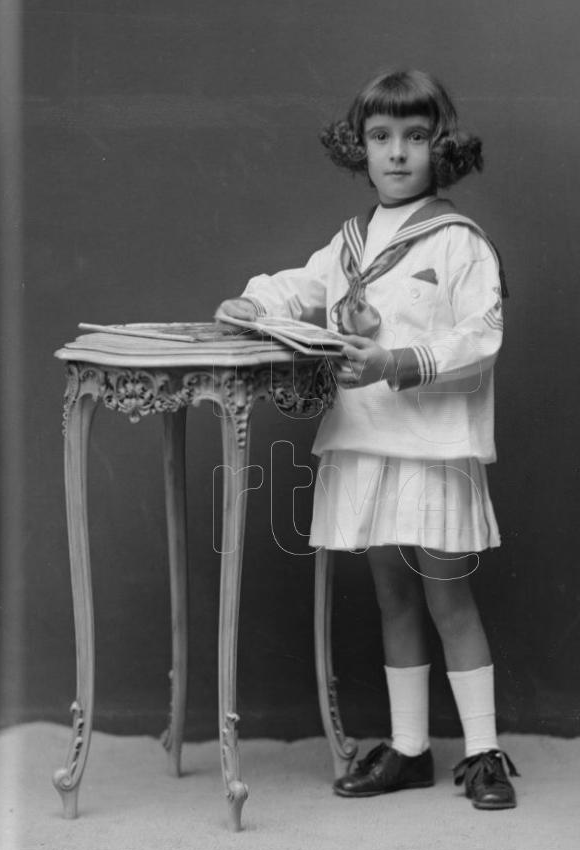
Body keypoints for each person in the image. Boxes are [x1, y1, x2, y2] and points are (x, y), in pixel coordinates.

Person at [215, 69, 519, 809]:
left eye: (416, 137)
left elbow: (482, 335)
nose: (397, 153)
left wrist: (394, 362)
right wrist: (255, 300)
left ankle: (483, 753)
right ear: (360, 147)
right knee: (392, 599)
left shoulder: (457, 242)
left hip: (432, 444)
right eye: (381, 137)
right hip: (365, 438)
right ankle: (410, 748)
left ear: (441, 148)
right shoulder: (350, 242)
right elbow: (304, 285)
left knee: (448, 598)